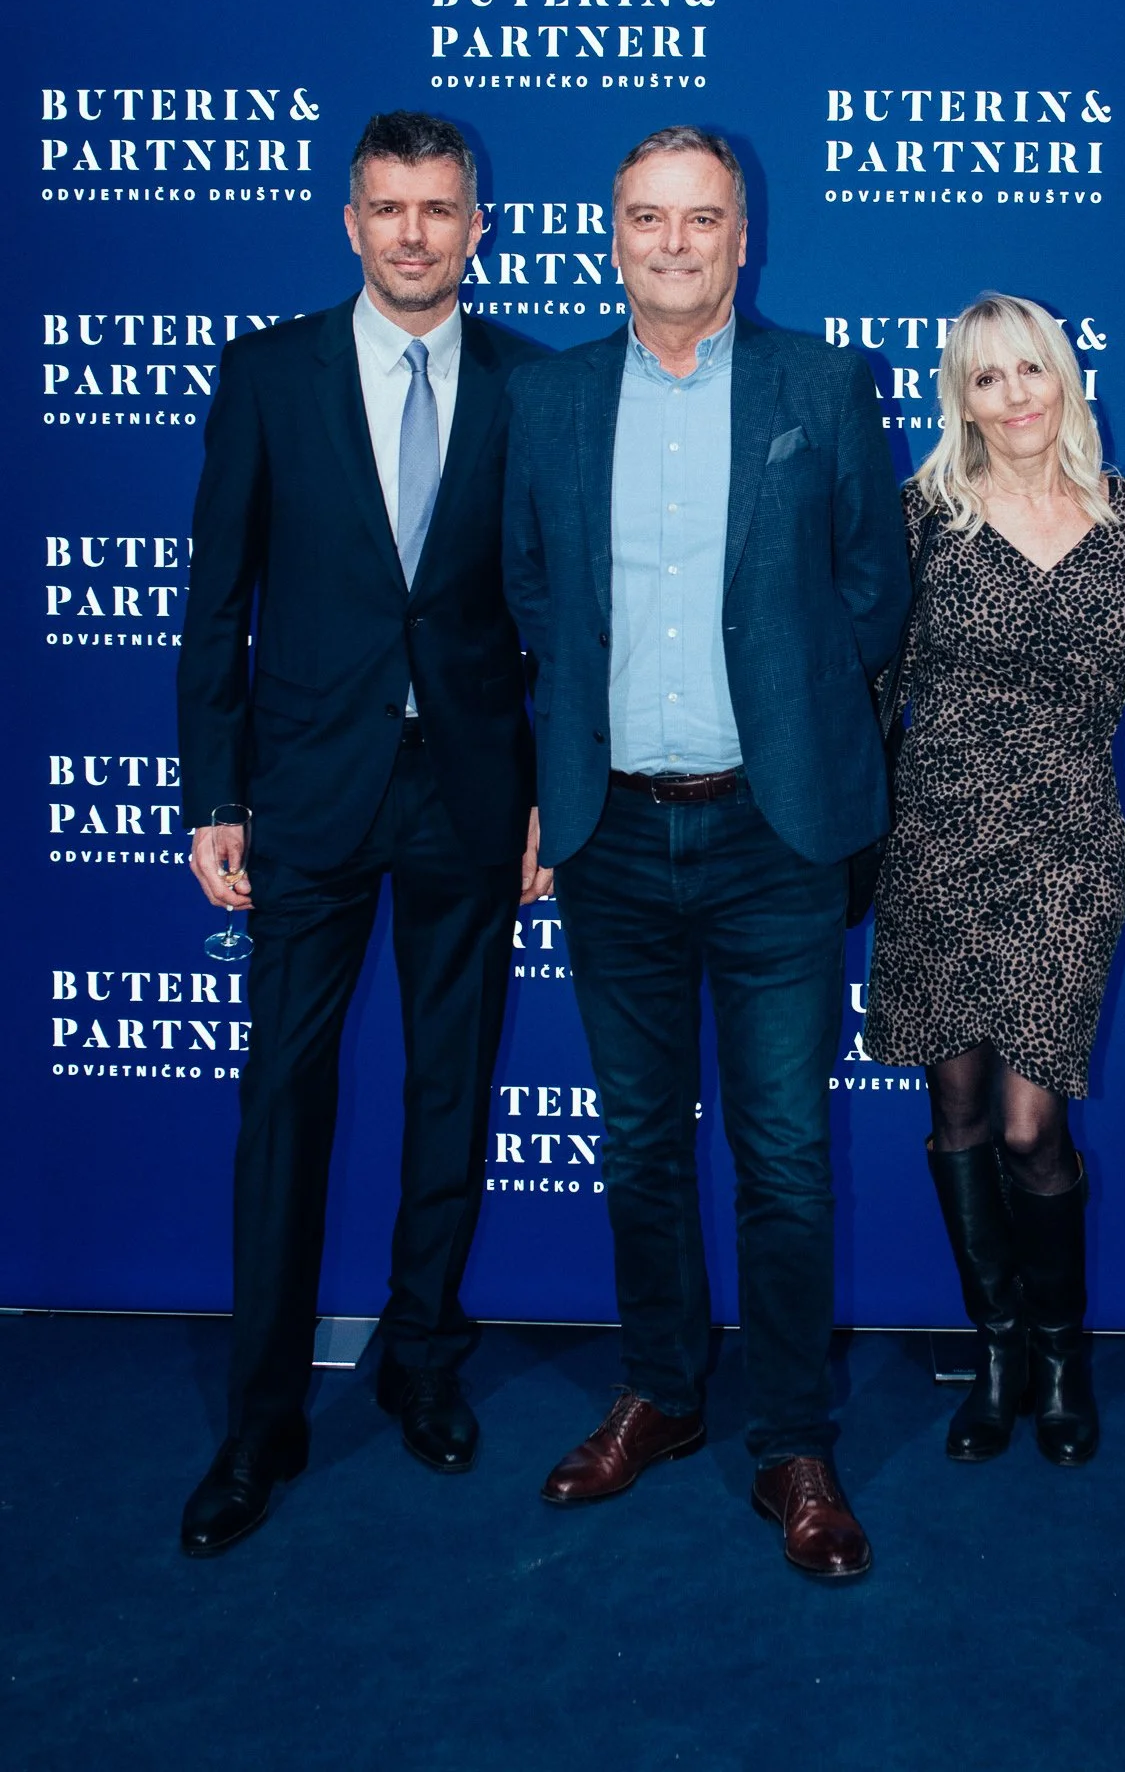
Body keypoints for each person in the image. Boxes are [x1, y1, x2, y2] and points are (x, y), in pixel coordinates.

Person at [503, 125, 908, 1581]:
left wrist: (791, 718)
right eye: (647, 219)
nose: (674, 242)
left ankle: (793, 1441)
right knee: (634, 1141)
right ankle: (665, 1395)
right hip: (612, 832)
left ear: (747, 239)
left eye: (702, 219)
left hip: (774, 832)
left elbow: (874, 589)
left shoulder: (823, 385)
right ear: (612, 235)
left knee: (787, 1155)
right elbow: (531, 595)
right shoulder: (548, 401)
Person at [175, 111, 546, 1557]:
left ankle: (424, 1360)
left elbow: (552, 614)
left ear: (477, 227)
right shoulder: (267, 373)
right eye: (387, 208)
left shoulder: (530, 384)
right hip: (308, 794)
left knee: (451, 1087)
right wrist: (214, 790)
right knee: (285, 1098)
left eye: (438, 209)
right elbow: (218, 599)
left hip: (468, 790)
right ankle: (261, 1419)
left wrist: (544, 798)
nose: (411, 233)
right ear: (349, 223)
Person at [864, 295, 1125, 1467]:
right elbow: (873, 686)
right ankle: (996, 1352)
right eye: (987, 379)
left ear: (1065, 377)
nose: (1015, 395)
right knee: (959, 1111)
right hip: (937, 833)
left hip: (1072, 838)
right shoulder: (924, 516)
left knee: (1036, 1122)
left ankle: (1061, 1347)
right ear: (961, 397)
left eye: (1031, 369)